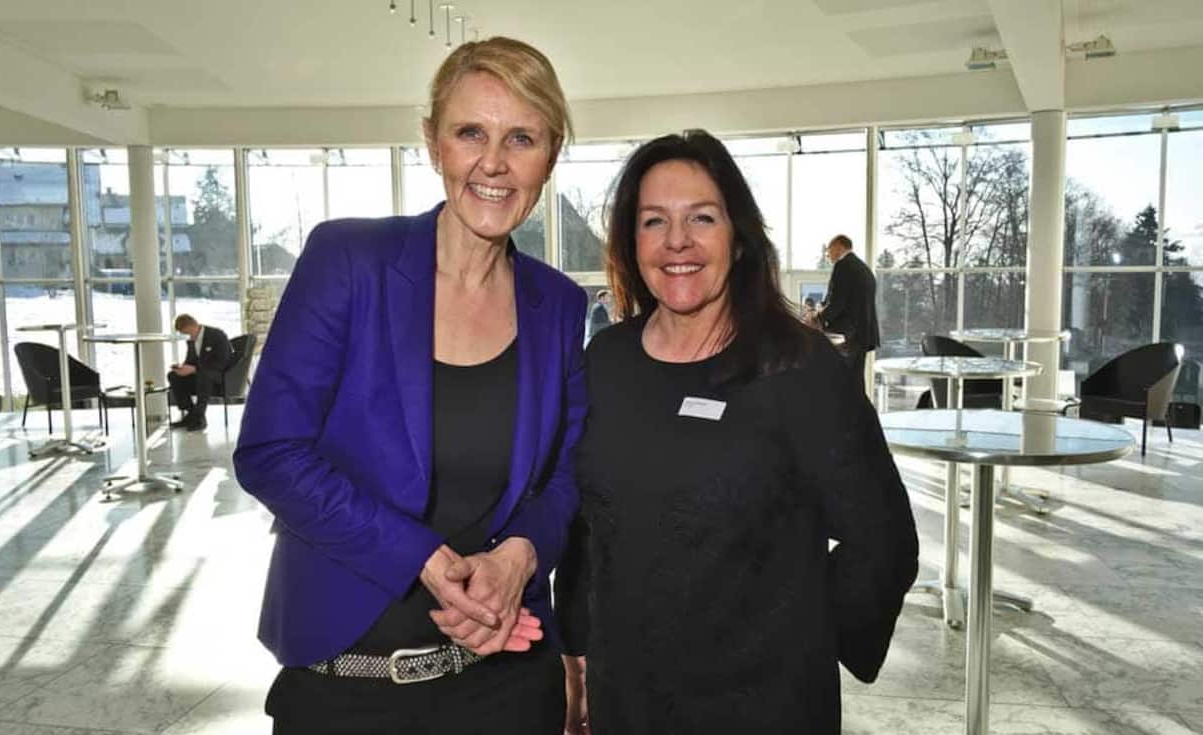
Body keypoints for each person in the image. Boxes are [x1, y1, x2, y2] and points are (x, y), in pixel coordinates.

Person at [233, 37, 586, 734]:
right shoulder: (348, 260)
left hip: (506, 679)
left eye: (521, 137)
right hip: (349, 682)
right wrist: (422, 558)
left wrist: (519, 556)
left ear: (549, 156)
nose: (493, 161)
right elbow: (270, 451)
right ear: (433, 143)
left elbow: (567, 474)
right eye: (469, 133)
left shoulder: (558, 304)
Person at [556, 130, 918, 734]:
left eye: (702, 217)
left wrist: (797, 635)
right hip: (628, 698)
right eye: (653, 221)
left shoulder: (799, 367)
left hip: (761, 704)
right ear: (630, 240)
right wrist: (575, 645)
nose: (677, 241)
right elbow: (584, 527)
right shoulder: (604, 362)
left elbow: (882, 541)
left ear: (739, 238)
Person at [817, 234, 879, 389]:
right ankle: (859, 412)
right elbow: (849, 299)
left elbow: (837, 303)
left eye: (829, 250)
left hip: (847, 336)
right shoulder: (863, 268)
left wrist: (818, 317)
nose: (828, 255)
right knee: (855, 381)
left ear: (838, 246)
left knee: (842, 382)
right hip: (862, 335)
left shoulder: (843, 266)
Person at [167, 313, 232, 432]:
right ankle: (191, 413)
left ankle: (199, 417)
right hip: (201, 374)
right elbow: (190, 361)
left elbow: (223, 360)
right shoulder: (191, 340)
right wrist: (182, 368)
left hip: (218, 375)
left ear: (193, 326)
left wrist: (195, 369)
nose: (187, 336)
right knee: (174, 376)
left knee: (204, 375)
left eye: (186, 332)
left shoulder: (217, 335)